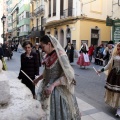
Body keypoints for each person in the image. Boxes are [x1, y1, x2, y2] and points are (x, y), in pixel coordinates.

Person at [33, 34, 81, 120]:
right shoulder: (48, 56)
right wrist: (38, 79)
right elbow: (46, 72)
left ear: (49, 44)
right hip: (47, 86)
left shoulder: (61, 55)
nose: (42, 50)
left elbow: (69, 75)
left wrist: (53, 85)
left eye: (43, 47)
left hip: (58, 90)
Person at [97, 42, 120, 118]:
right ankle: (118, 109)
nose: (118, 49)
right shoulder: (114, 56)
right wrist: (101, 70)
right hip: (115, 76)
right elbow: (108, 65)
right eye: (118, 47)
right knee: (117, 92)